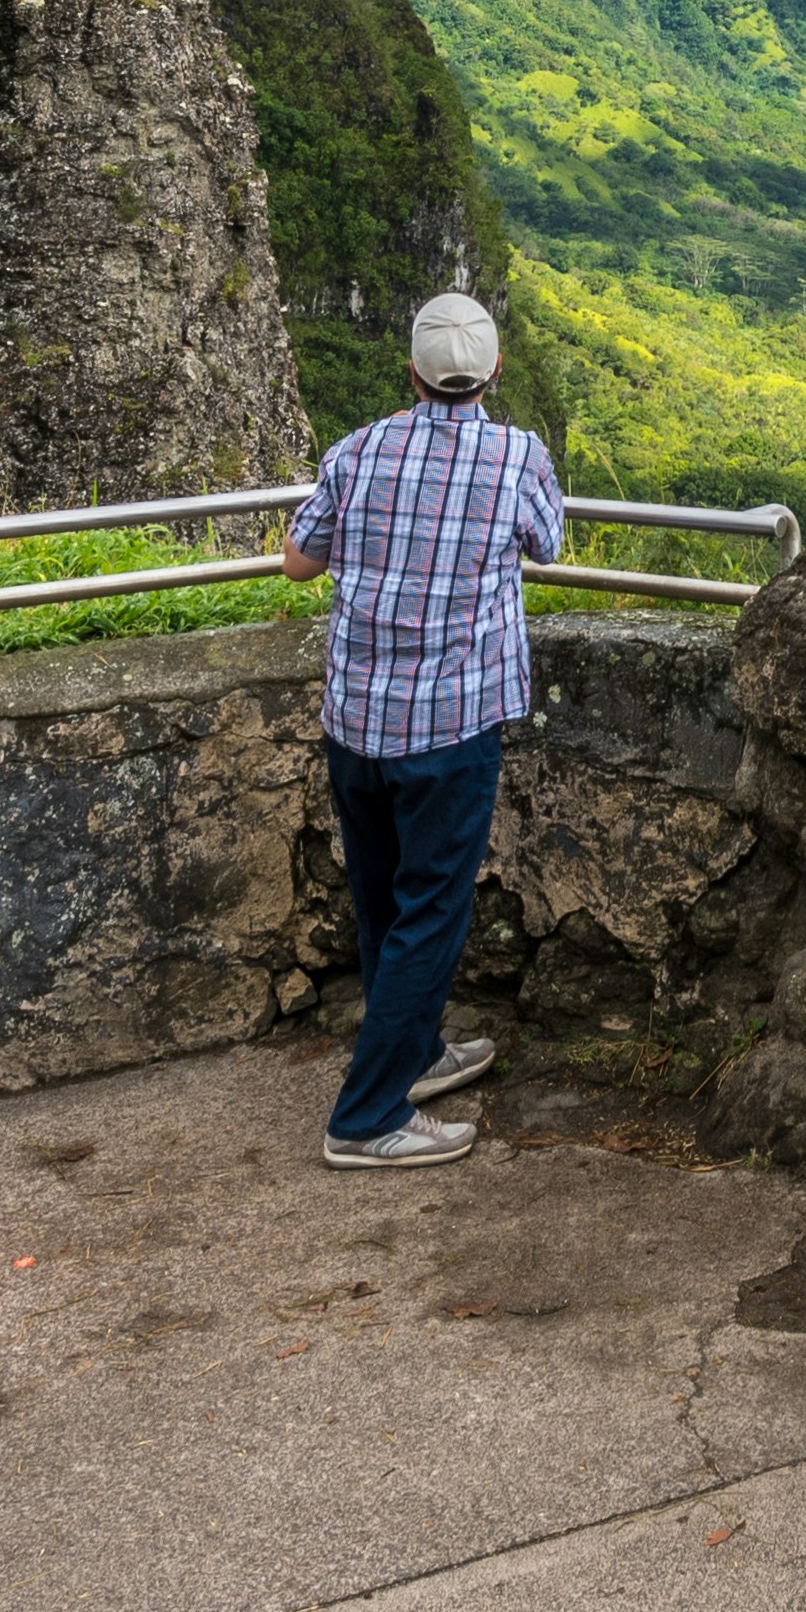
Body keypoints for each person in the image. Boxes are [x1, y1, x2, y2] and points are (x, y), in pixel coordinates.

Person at [280, 287, 565, 1171]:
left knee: (381, 900)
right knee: (430, 913)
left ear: (410, 371)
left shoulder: (357, 449)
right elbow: (549, 544)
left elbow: (298, 560)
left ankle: (415, 1053)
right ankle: (365, 1118)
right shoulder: (516, 454)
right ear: (494, 373)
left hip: (356, 716)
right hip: (450, 722)